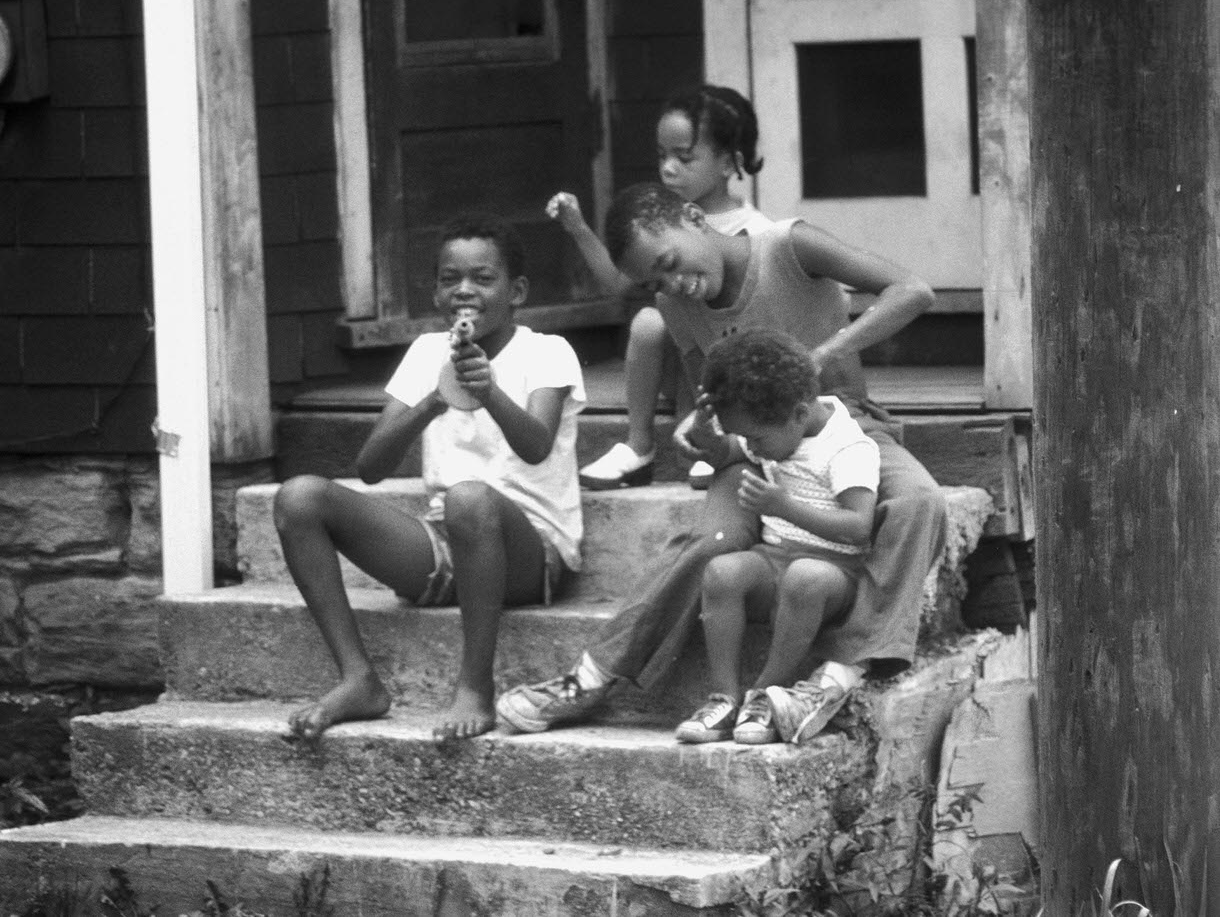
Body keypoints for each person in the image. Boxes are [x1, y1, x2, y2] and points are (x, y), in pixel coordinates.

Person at [495, 183, 946, 736]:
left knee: (920, 501)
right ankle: (591, 677)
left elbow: (914, 291)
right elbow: (712, 403)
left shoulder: (788, 246)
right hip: (752, 449)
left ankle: (842, 670)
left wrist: (821, 355)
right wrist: (702, 437)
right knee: (711, 545)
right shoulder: (675, 306)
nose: (673, 285)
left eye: (669, 262)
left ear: (692, 217)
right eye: (654, 283)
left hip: (843, 422)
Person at [275, 219, 584, 742]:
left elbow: (535, 448)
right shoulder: (425, 353)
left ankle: (475, 687)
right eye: (450, 279)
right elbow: (371, 467)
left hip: (534, 552)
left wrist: (489, 393)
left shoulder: (547, 352)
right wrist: (434, 401)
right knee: (299, 497)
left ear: (517, 292)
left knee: (469, 498)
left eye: (483, 278)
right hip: (448, 547)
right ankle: (359, 679)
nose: (464, 291)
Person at [548, 85, 773, 491]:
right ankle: (639, 446)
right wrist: (578, 227)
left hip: (738, 370)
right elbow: (619, 284)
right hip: (685, 366)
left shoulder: (756, 232)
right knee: (648, 322)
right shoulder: (660, 227)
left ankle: (717, 437)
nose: (668, 169)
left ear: (728, 163)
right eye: (662, 156)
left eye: (685, 158)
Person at [674, 329, 878, 746]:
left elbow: (859, 526)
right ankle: (725, 697)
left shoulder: (847, 448)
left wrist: (785, 507)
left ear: (800, 414)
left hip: (833, 570)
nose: (751, 447)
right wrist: (707, 436)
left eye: (756, 439)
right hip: (777, 557)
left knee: (804, 577)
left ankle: (765, 692)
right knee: (722, 572)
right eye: (744, 437)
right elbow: (724, 455)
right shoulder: (771, 431)